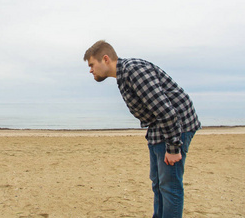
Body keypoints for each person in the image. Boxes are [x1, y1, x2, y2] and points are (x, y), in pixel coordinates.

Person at [83, 40, 201, 218]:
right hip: (159, 129)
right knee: (158, 183)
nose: (90, 70)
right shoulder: (123, 76)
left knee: (170, 187)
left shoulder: (133, 71)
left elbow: (167, 112)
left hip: (175, 128)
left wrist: (174, 147)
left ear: (105, 59)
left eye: (92, 64)